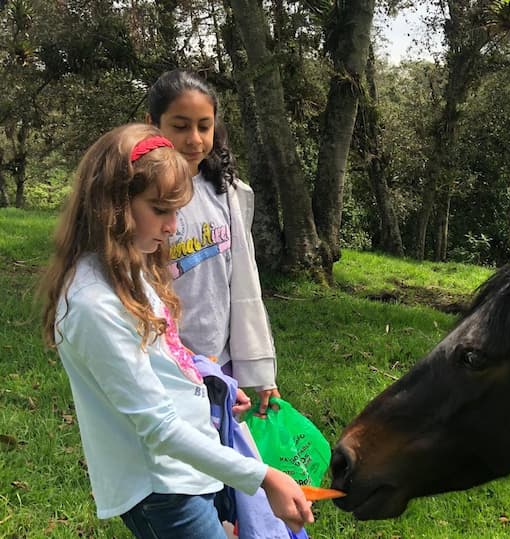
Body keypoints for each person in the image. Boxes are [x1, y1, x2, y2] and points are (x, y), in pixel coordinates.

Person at [40, 123, 314, 539]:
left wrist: (207, 373)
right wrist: (264, 478)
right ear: (112, 205)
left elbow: (160, 351)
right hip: (162, 488)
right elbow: (158, 428)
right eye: (160, 210)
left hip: (193, 466)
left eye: (177, 210)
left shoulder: (130, 267)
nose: (172, 226)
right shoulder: (92, 304)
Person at [146, 70, 280, 416]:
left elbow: (244, 283)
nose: (194, 139)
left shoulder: (226, 192)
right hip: (168, 364)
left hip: (221, 362)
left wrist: (261, 372)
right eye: (180, 126)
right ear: (152, 124)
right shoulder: (143, 203)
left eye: (203, 126)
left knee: (222, 456)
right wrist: (187, 363)